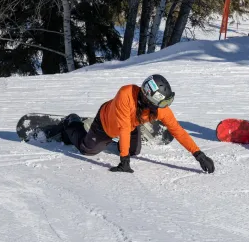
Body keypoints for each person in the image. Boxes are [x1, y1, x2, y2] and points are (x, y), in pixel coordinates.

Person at [61, 74, 215, 173]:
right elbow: (124, 127)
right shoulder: (125, 94)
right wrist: (124, 161)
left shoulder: (161, 109)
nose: (164, 106)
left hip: (130, 124)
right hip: (106, 123)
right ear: (149, 98)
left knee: (134, 152)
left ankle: (120, 144)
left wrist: (199, 155)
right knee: (88, 150)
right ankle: (72, 122)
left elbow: (177, 130)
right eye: (161, 102)